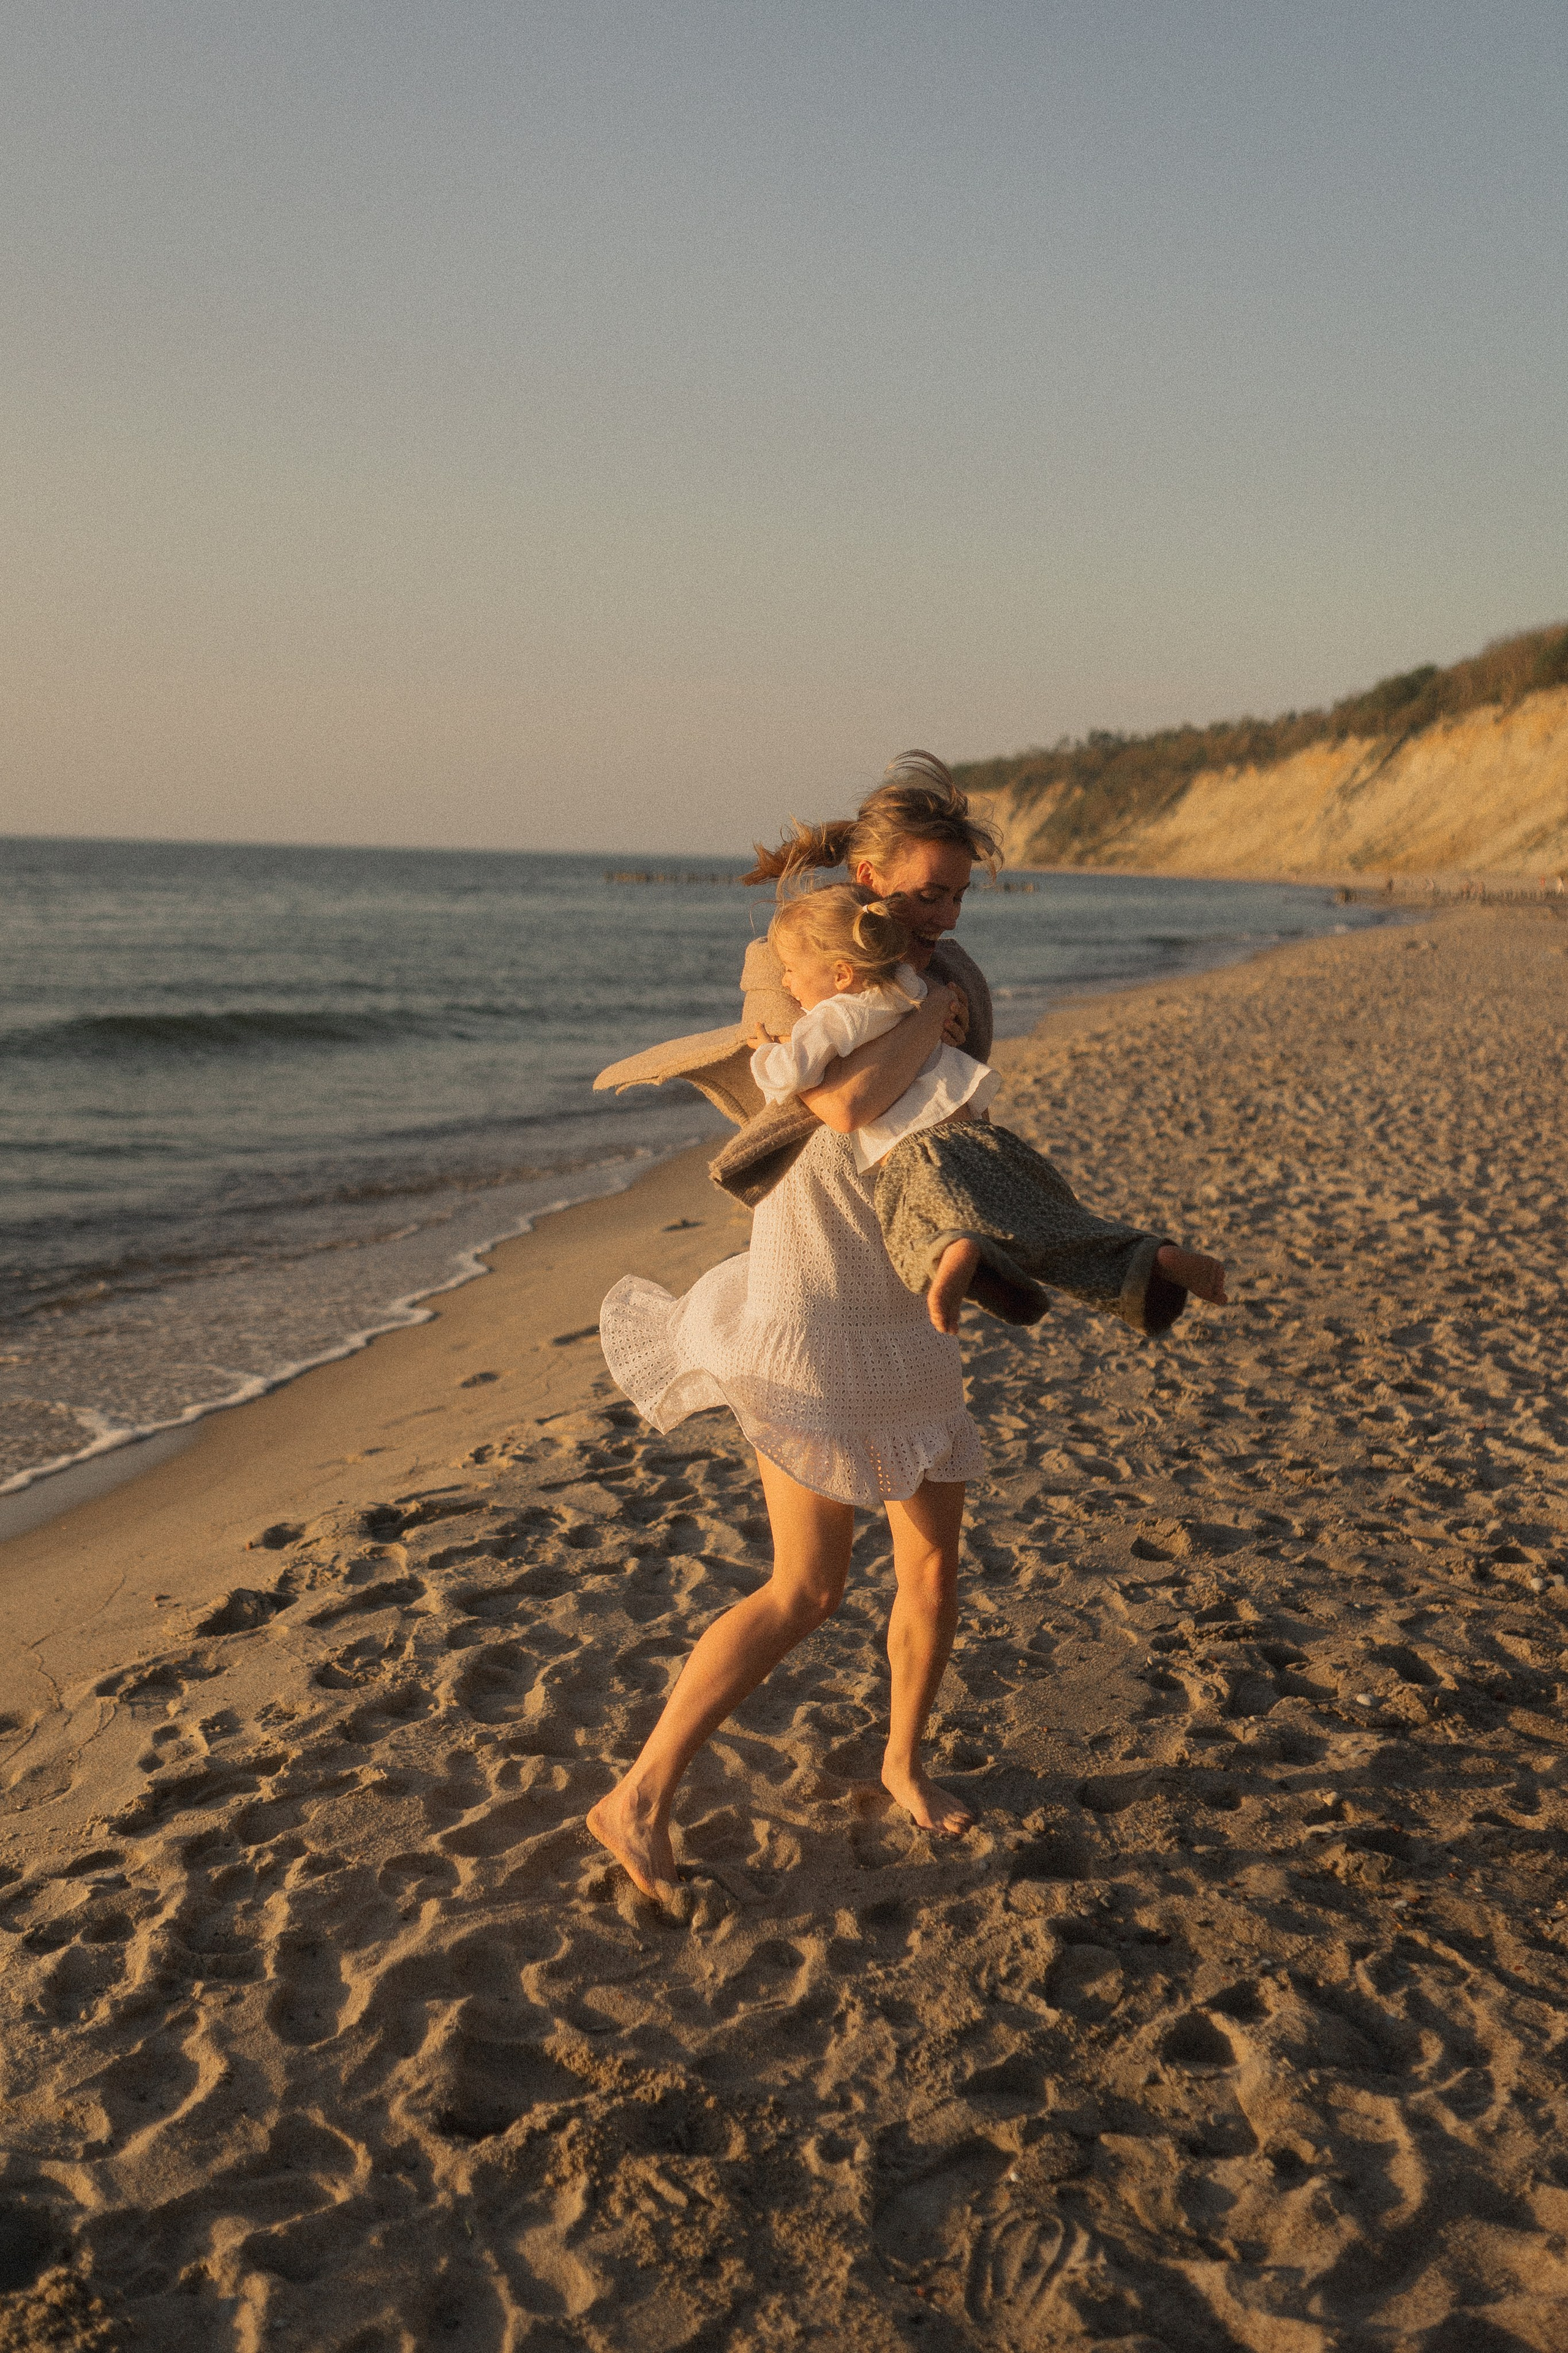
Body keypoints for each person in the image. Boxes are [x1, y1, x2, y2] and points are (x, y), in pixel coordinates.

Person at [748, 883, 1226, 1334]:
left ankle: (958, 1250)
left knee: (914, 1223)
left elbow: (794, 1073)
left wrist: (764, 1050)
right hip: (982, 1134)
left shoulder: (832, 1015)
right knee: (1054, 1226)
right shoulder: (908, 986)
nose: (787, 980)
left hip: (920, 1154)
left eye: (791, 968)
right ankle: (1152, 1260)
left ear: (840, 974)